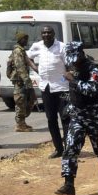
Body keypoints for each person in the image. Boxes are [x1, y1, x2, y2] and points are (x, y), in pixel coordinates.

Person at [55, 42, 98, 195]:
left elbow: (93, 89)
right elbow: (74, 91)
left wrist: (73, 81)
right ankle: (69, 183)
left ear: (82, 53)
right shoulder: (73, 68)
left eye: (76, 59)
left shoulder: (94, 69)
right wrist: (68, 105)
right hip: (78, 116)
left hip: (95, 117)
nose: (74, 63)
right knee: (70, 147)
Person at [27, 25, 69, 158]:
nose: (46, 35)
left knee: (65, 119)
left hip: (62, 87)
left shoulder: (62, 47)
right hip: (46, 87)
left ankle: (69, 149)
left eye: (49, 32)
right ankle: (59, 149)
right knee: (51, 119)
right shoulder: (37, 46)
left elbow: (68, 65)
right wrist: (35, 68)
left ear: (53, 34)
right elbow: (27, 56)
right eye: (44, 33)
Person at [8, 31, 35, 132]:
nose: (26, 41)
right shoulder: (18, 51)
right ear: (20, 40)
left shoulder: (22, 50)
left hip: (22, 80)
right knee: (20, 101)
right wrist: (27, 81)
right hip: (20, 80)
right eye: (25, 39)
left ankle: (22, 123)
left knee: (25, 101)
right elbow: (20, 67)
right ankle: (20, 125)